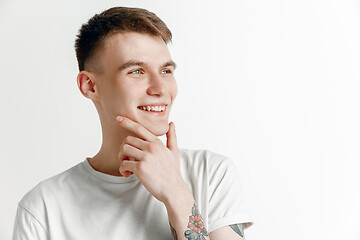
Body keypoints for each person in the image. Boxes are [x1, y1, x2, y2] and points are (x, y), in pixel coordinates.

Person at [12, 6, 253, 240]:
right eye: (137, 71)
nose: (160, 89)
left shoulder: (211, 174)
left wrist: (177, 194)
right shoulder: (43, 209)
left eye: (166, 71)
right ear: (90, 86)